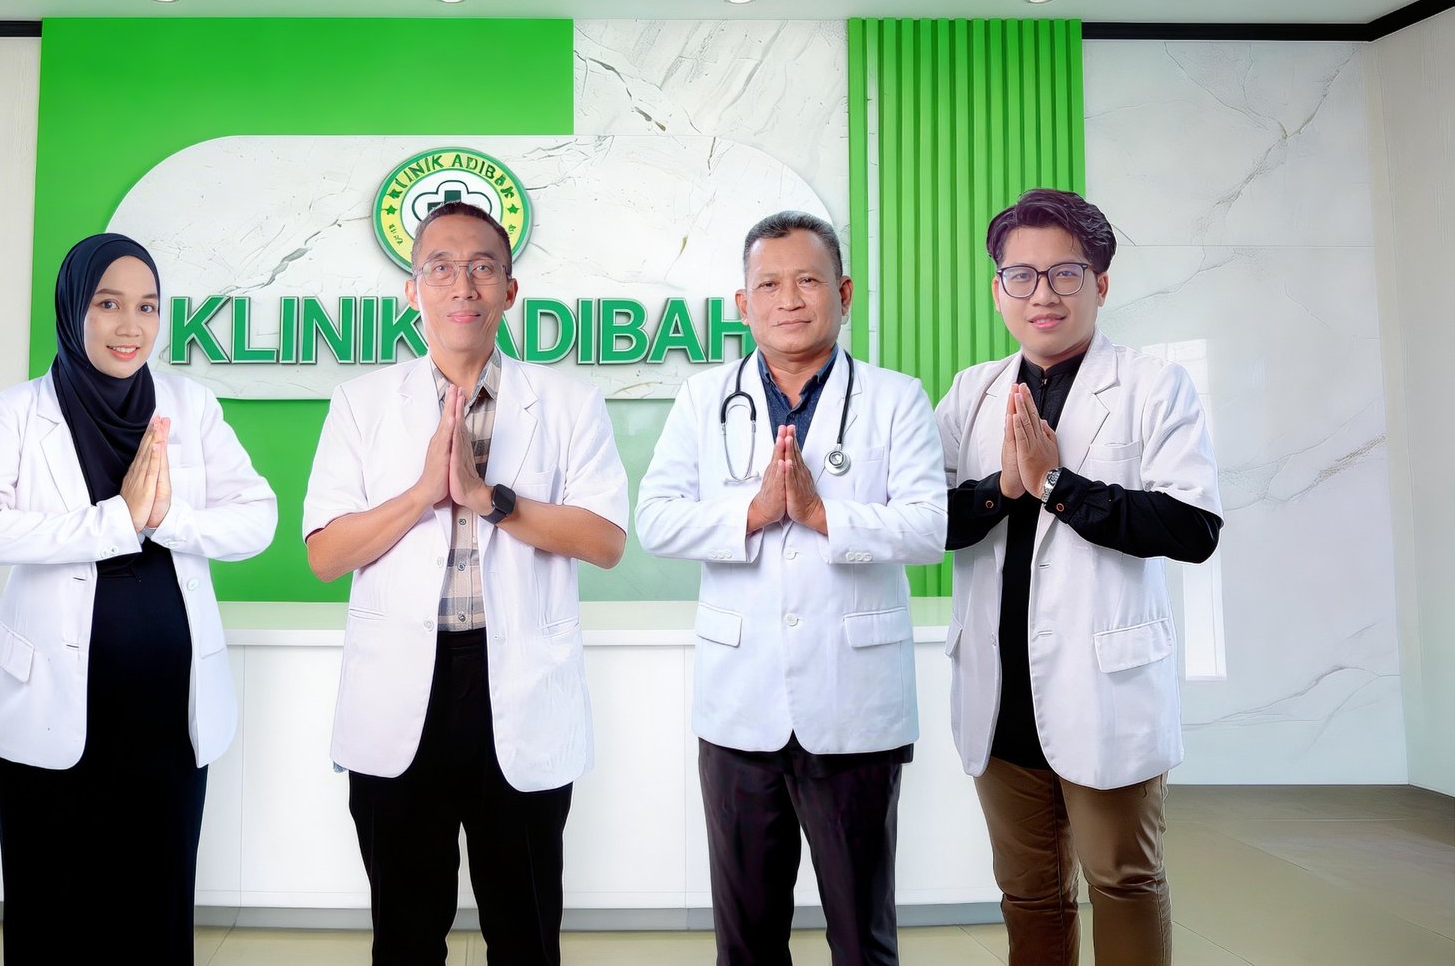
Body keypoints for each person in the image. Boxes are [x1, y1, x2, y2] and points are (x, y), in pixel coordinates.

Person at [302, 200, 630, 966]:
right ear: (411, 292)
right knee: (406, 935)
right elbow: (325, 552)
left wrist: (489, 498)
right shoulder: (361, 403)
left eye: (483, 266)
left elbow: (606, 540)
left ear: (510, 291)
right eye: (440, 267)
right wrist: (424, 493)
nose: (463, 284)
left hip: (516, 684)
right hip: (401, 698)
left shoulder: (569, 403)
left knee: (525, 931)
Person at [0, 233, 276, 965]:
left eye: (149, 307)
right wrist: (114, 522)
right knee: (50, 909)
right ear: (74, 308)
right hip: (48, 703)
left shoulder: (191, 405)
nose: (132, 326)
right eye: (108, 303)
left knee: (156, 910)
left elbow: (259, 514)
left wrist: (168, 518)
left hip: (170, 703)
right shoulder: (18, 409)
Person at [637, 210, 947, 966]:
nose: (789, 298)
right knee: (745, 938)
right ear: (742, 304)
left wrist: (819, 514)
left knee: (861, 936)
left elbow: (927, 526)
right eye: (768, 283)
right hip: (739, 706)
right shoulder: (702, 400)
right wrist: (752, 512)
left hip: (855, 706)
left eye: (808, 279)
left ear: (842, 291)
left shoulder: (895, 398)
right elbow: (654, 519)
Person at [936, 189, 1222, 966]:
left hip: (1106, 686)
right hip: (1000, 695)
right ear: (997, 289)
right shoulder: (971, 392)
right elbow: (931, 519)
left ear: (1101, 283)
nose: (1042, 294)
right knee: (1028, 892)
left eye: (1065, 272)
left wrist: (1060, 485)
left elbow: (1193, 528)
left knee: (1123, 880)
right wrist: (1005, 487)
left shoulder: (1153, 387)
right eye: (1020, 276)